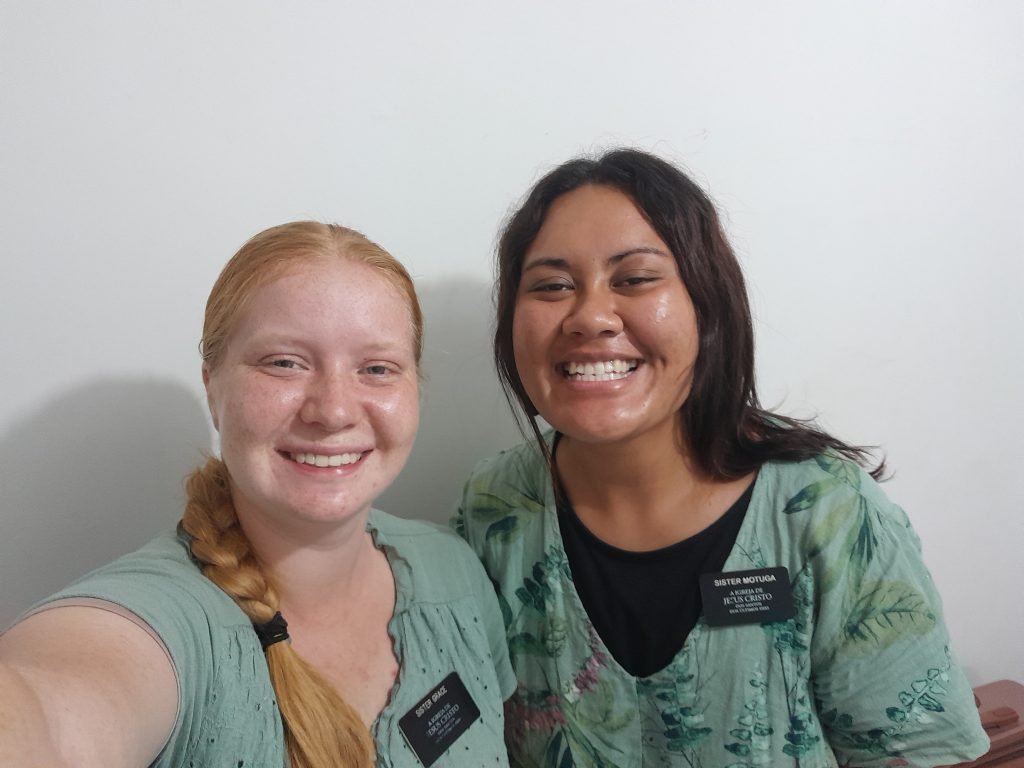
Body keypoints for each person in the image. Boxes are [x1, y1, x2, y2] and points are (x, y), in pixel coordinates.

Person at [453, 149, 989, 767]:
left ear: (708, 305)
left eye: (635, 278)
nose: (591, 316)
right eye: (551, 286)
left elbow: (916, 752)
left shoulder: (824, 511)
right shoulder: (494, 507)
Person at [0, 221, 515, 768]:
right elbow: (51, 714)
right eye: (284, 363)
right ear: (212, 387)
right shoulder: (162, 624)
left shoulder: (455, 571)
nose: (334, 411)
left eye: (376, 368)